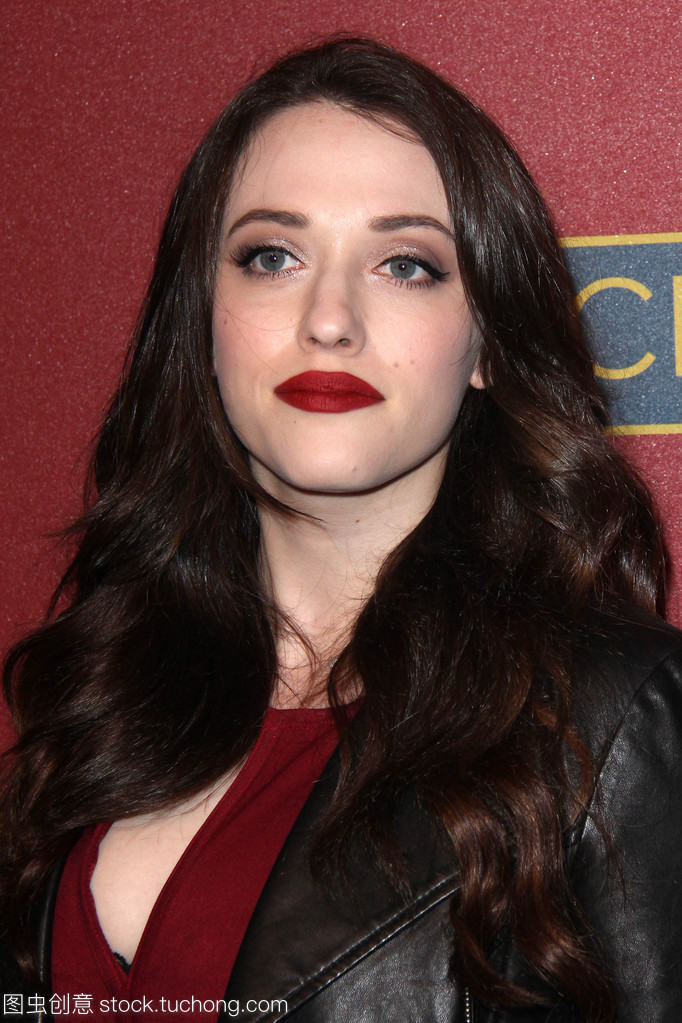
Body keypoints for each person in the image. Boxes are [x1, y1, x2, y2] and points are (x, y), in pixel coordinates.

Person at [1, 35, 680, 1023]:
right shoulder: (111, 682)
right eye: (272, 257)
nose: (329, 319)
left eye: (405, 265)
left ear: (486, 344)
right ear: (204, 320)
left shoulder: (610, 719)